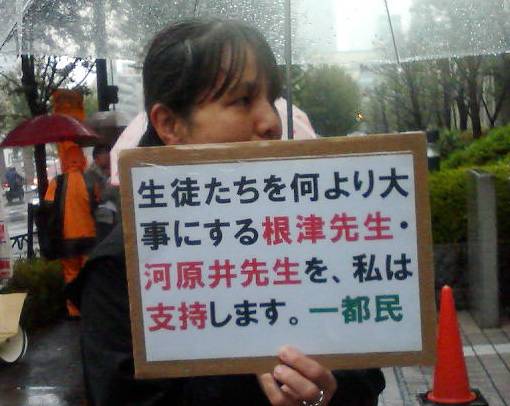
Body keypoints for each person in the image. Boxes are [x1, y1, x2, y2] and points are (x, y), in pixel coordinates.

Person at [75, 18, 385, 405]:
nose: (271, 122)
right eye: (242, 100)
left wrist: (329, 391)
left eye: (272, 99)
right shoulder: (120, 270)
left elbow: (367, 375)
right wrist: (252, 385)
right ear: (169, 124)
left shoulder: (310, 235)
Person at [44, 141, 96, 318]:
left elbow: (48, 206)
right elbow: (99, 202)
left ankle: (74, 310)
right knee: (89, 273)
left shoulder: (57, 182)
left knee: (71, 274)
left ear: (64, 160)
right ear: (82, 160)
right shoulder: (89, 180)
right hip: (90, 235)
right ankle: (91, 306)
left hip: (67, 238)